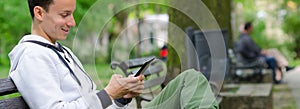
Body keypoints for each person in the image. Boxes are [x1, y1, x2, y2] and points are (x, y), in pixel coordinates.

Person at [8, 0, 218, 108]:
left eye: (71, 14)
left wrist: (120, 98)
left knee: (191, 80)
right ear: (39, 13)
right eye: (65, 15)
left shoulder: (62, 52)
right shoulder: (32, 57)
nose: (72, 22)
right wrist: (108, 93)